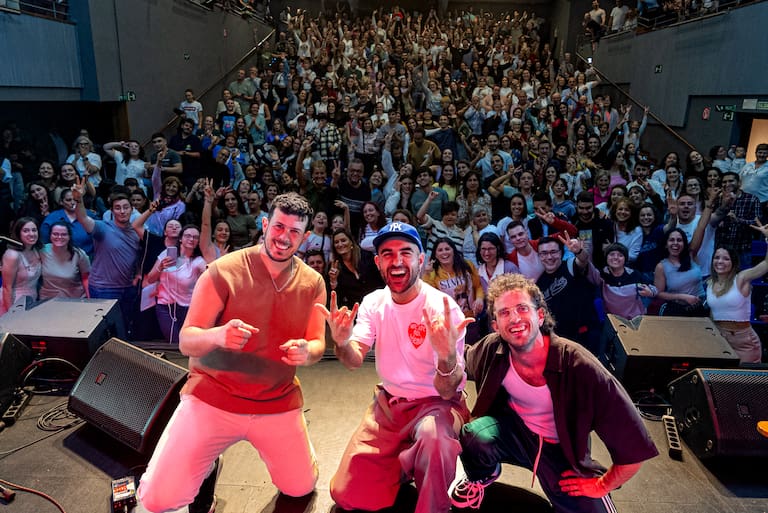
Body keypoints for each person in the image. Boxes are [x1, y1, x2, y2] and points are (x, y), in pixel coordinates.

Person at [137, 193, 326, 513]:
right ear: (265, 224)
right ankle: (207, 463)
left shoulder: (313, 282)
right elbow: (187, 341)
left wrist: (308, 352)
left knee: (300, 488)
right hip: (213, 396)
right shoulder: (223, 270)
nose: (284, 237)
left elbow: (318, 344)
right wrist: (219, 335)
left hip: (275, 399)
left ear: (305, 237)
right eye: (279, 226)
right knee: (158, 500)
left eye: (294, 231)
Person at [450, 273, 658, 512]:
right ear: (496, 325)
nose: (514, 318)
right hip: (514, 434)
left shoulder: (580, 367)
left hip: (560, 449)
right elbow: (462, 360)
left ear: (540, 315)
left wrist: (601, 485)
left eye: (522, 308)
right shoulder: (493, 347)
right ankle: (482, 475)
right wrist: (445, 346)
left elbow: (634, 448)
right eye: (504, 312)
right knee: (474, 436)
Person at [320, 222, 474, 513]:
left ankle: (433, 500)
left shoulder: (442, 308)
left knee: (433, 439)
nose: (397, 260)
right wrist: (340, 343)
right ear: (378, 263)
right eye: (388, 254)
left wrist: (445, 356)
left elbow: (447, 390)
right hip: (389, 405)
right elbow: (353, 360)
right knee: (346, 495)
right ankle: (405, 463)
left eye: (406, 252)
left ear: (421, 259)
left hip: (437, 404)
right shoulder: (373, 303)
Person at [71, 176, 140, 337]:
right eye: (118, 208)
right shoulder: (102, 228)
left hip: (127, 288)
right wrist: (79, 200)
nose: (122, 211)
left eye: (125, 207)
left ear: (132, 209)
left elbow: (138, 257)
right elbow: (83, 218)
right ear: (112, 211)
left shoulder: (136, 231)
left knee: (124, 331)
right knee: (106, 334)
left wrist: (138, 273)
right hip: (104, 289)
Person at [706, 223, 768, 363]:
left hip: (743, 342)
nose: (720, 261)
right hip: (719, 339)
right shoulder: (710, 283)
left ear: (733, 262)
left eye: (726, 258)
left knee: (744, 377)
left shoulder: (741, 278)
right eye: (717, 257)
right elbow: (714, 312)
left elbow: (766, 265)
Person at [143, 225, 213, 344]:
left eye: (195, 237)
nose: (191, 239)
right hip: (165, 306)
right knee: (173, 342)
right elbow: (150, 279)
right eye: (188, 236)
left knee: (186, 343)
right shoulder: (167, 254)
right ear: (180, 238)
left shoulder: (198, 261)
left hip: (187, 308)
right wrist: (160, 267)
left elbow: (210, 276)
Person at [39, 221, 90, 300]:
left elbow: (86, 278)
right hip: (46, 300)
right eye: (55, 234)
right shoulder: (42, 251)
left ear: (69, 236)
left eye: (64, 234)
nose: (59, 237)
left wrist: (89, 299)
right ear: (50, 235)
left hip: (73, 300)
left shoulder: (78, 254)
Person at [1, 217, 42, 314]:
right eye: (26, 231)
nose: (31, 234)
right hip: (13, 303)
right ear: (18, 233)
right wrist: (10, 313)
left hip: (31, 301)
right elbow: (7, 288)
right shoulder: (12, 255)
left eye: (34, 230)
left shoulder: (37, 250)